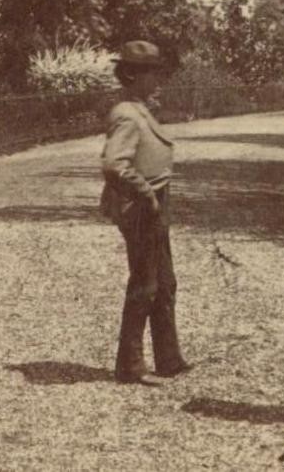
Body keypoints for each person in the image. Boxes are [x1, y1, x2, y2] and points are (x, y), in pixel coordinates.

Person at [100, 40, 190, 385]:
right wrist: (146, 195)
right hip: (140, 205)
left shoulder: (139, 108)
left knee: (165, 282)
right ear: (134, 75)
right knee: (145, 283)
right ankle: (130, 366)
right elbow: (114, 164)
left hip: (153, 201)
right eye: (153, 72)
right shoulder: (126, 113)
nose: (158, 79)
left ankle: (169, 358)